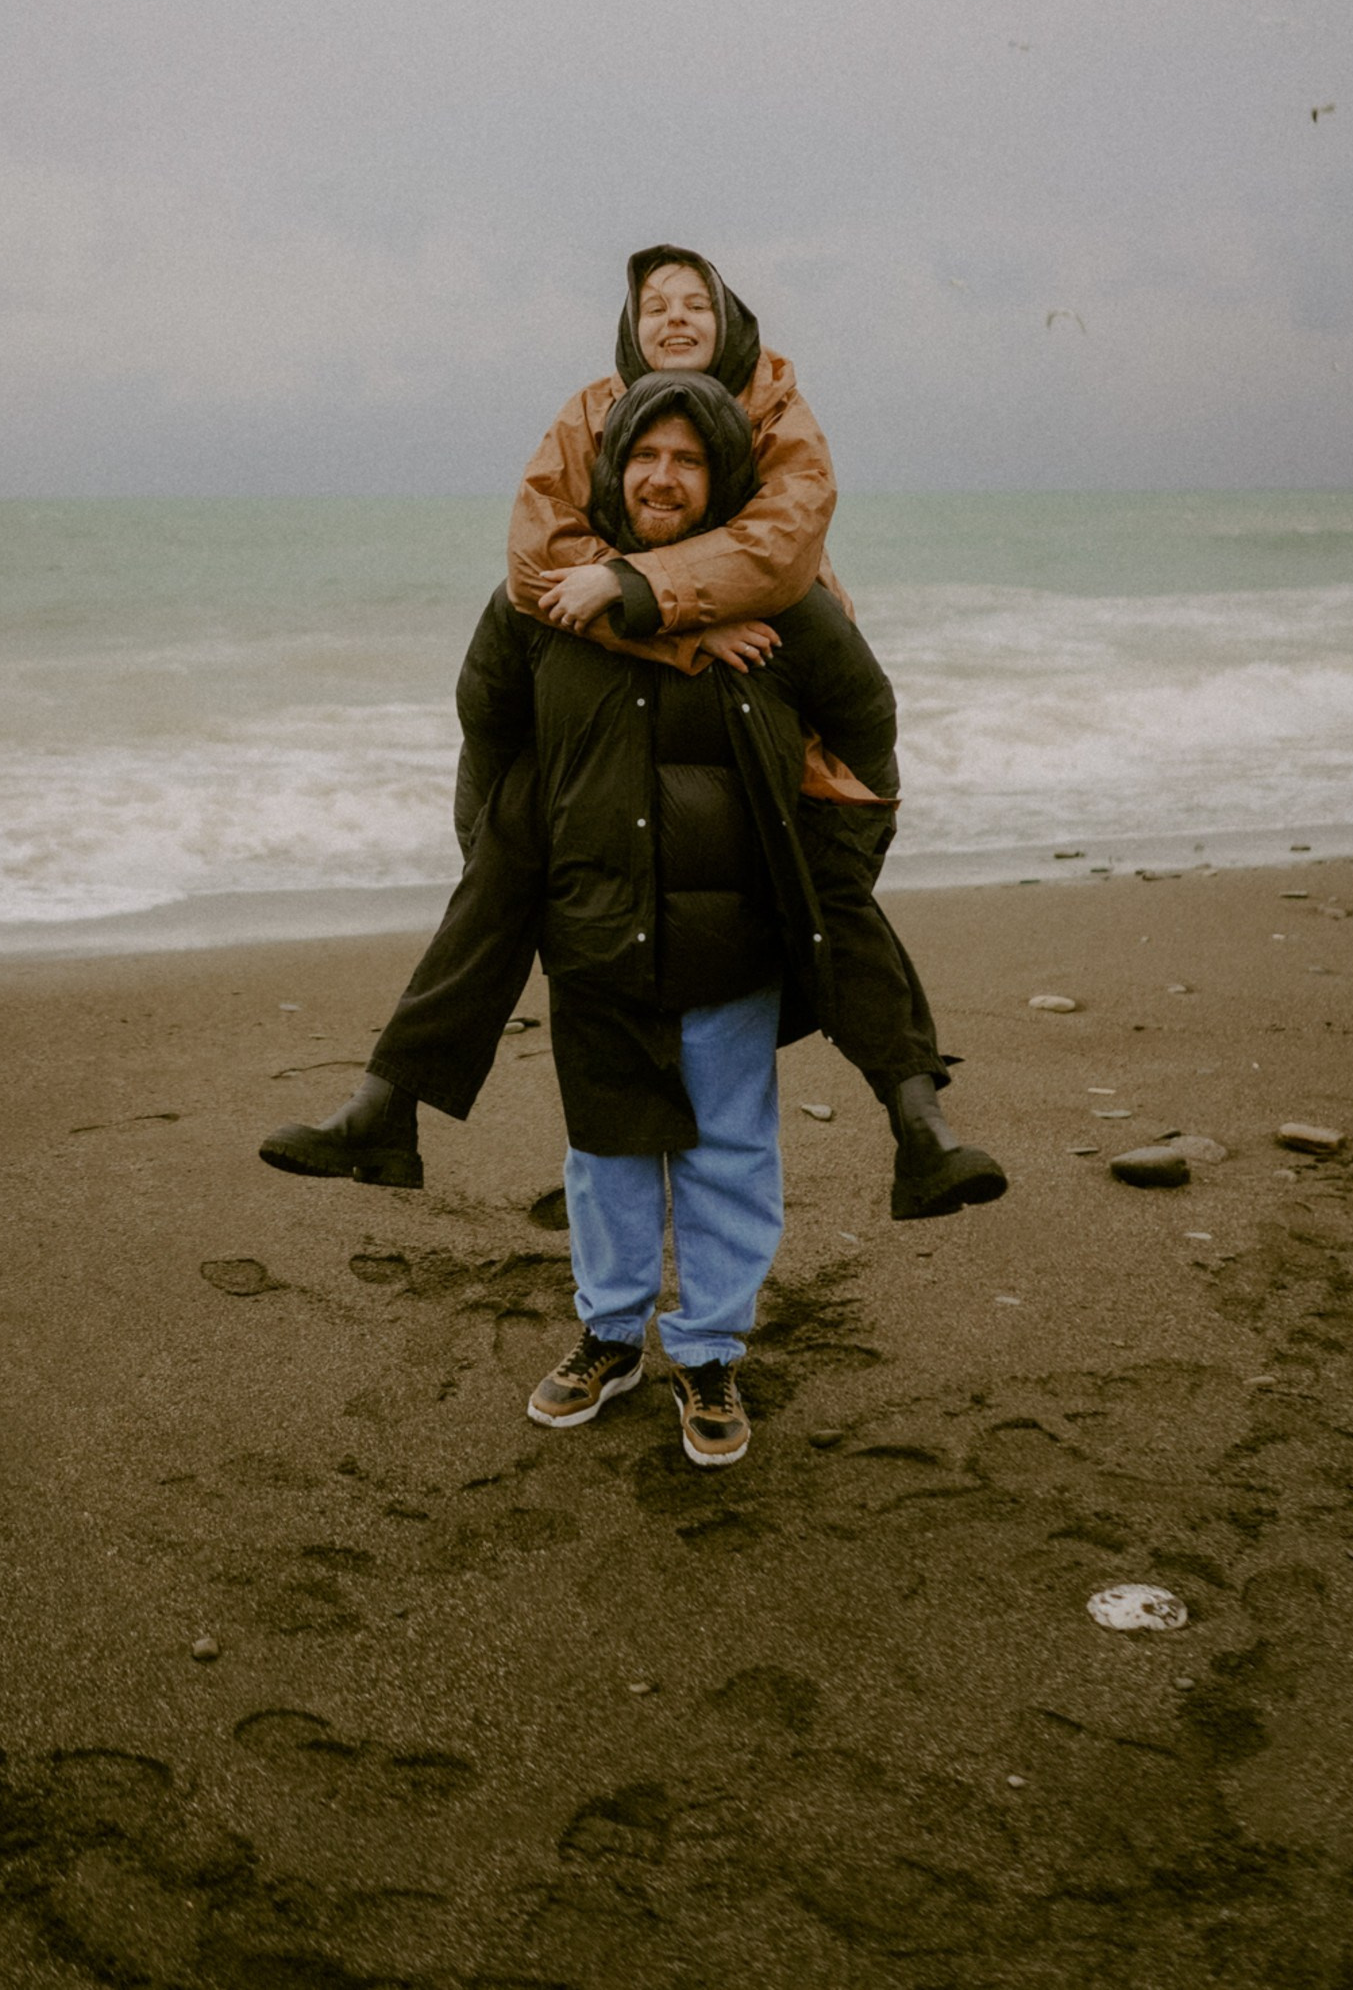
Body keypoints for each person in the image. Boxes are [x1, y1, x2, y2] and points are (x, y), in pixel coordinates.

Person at [259, 246, 1004, 1224]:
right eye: (656, 305)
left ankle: (920, 1124)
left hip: (760, 676)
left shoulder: (779, 409)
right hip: (607, 679)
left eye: (697, 302)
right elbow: (535, 564)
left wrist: (657, 593)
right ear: (630, 328)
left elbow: (781, 551)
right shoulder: (591, 409)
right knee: (514, 851)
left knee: (822, 880)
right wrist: (662, 617)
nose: (676, 318)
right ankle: (385, 1106)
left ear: (730, 322)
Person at [461, 371, 909, 1466]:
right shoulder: (548, 595)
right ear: (614, 468)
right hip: (594, 928)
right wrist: (506, 872)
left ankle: (709, 1352)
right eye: (645, 456)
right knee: (605, 1152)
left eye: (688, 460)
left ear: (722, 476)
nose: (662, 478)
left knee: (728, 1152)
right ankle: (610, 1337)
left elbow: (867, 733)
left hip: (733, 937)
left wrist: (828, 877)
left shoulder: (780, 599)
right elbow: (487, 733)